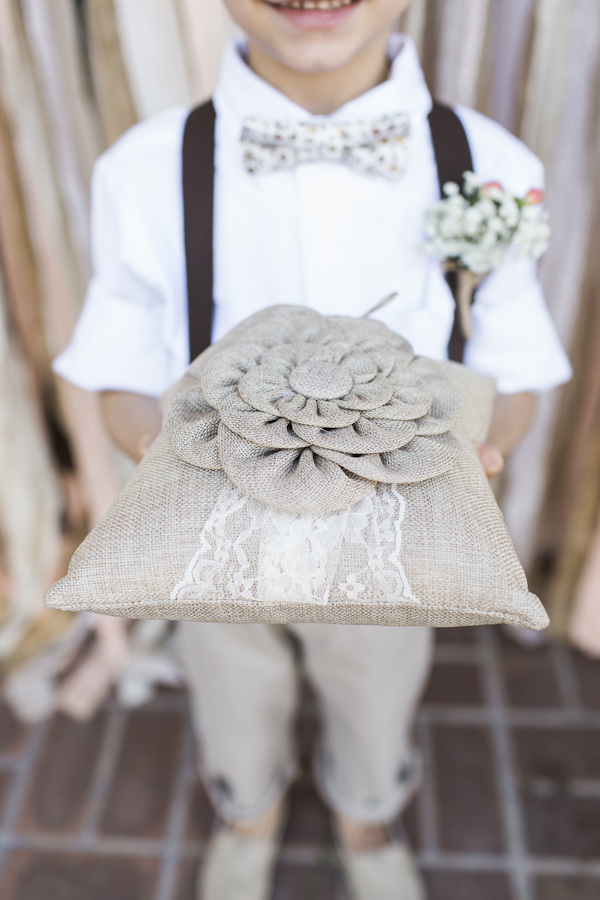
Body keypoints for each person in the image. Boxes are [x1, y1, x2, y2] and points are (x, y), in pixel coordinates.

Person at [53, 0, 571, 896]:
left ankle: (366, 817)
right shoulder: (141, 171)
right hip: (218, 545)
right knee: (231, 691)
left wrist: (476, 451)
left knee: (377, 695)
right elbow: (117, 367)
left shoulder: (489, 164)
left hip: (391, 545)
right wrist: (170, 454)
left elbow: (514, 365)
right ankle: (246, 810)